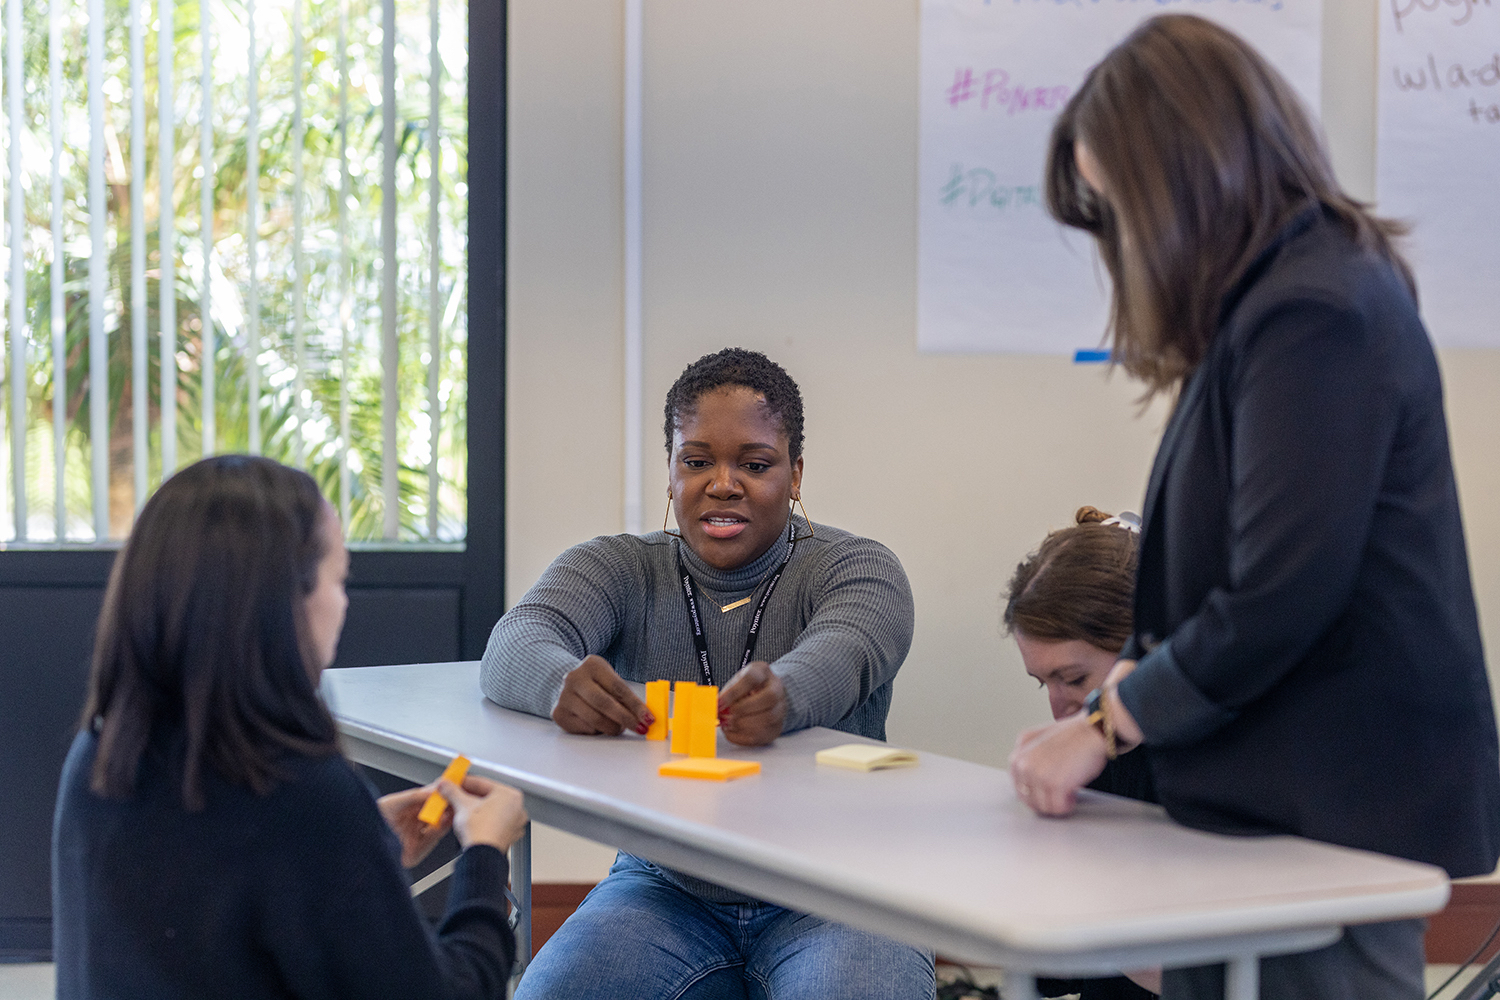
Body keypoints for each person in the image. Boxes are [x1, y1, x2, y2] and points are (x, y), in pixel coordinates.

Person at [1007, 14, 1500, 1000]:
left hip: (1335, 804)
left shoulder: (1313, 307)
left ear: (1189, 180)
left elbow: (1278, 594)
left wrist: (1101, 726)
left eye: (1124, 209)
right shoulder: (1277, 299)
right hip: (1273, 803)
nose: (1127, 247)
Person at [483, 347, 934, 1000]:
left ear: (796, 474)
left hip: (843, 884)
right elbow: (516, 639)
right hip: (667, 882)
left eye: (754, 464)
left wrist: (788, 692)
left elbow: (849, 646)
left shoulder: (857, 567)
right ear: (670, 473)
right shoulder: (619, 568)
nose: (723, 484)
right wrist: (560, 686)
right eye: (696, 462)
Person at [53, 455, 529, 1000]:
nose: (344, 603)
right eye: (340, 579)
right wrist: (485, 857)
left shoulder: (98, 756)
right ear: (286, 604)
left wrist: (361, 851)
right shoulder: (303, 796)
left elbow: (217, 891)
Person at [1004, 506, 1158, 1000]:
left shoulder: (1216, 768)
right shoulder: (1089, 761)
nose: (1058, 708)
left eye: (1073, 679)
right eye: (1041, 682)